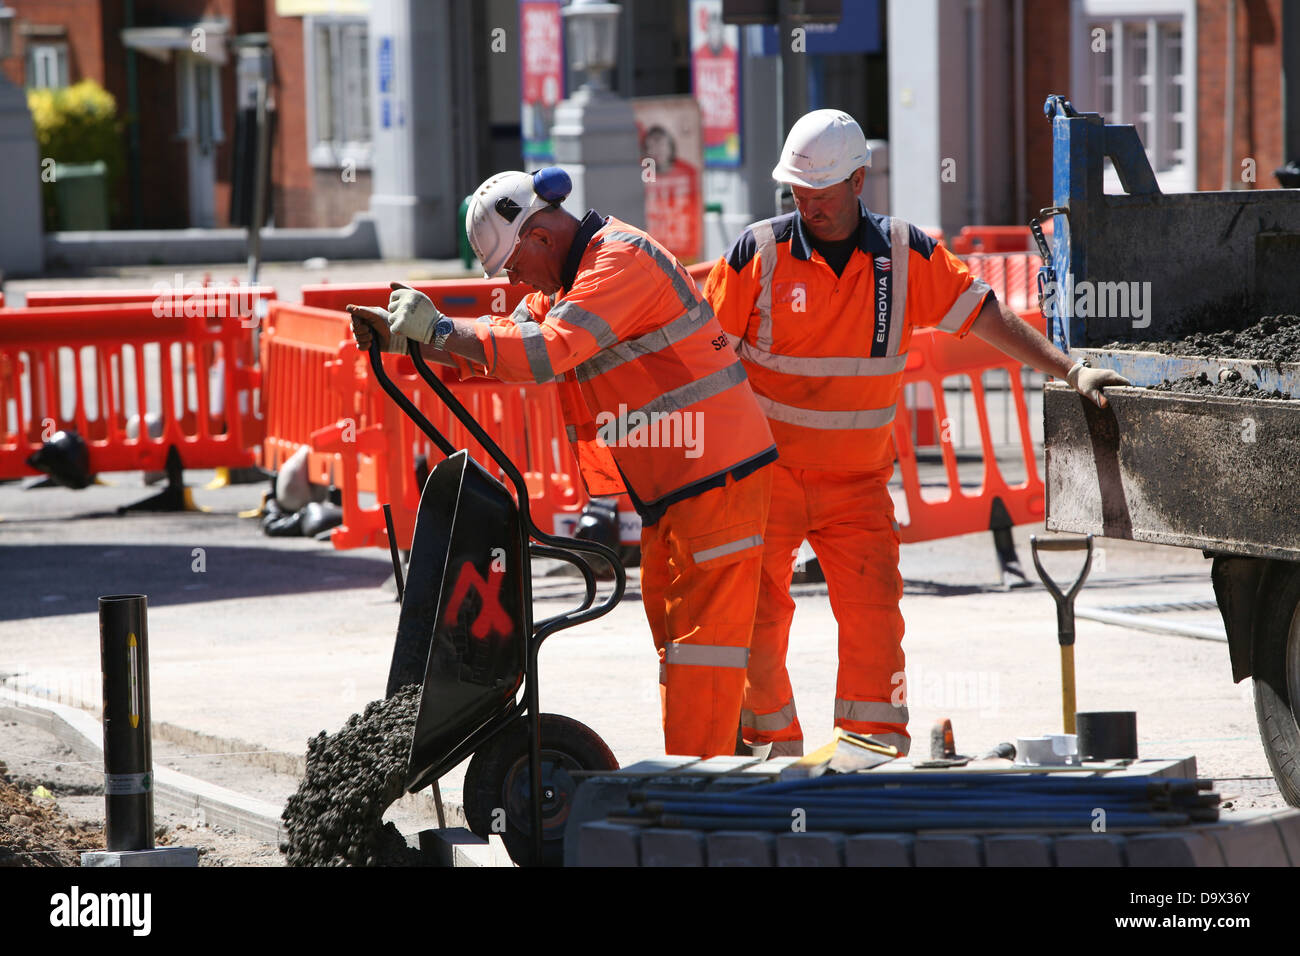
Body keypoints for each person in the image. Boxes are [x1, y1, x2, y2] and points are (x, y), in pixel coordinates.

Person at [704, 110, 1129, 757]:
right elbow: (705, 362)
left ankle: (867, 756)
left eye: (821, 193)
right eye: (798, 192)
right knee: (756, 625)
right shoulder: (757, 255)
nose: (808, 206)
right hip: (768, 482)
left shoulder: (905, 257)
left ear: (859, 180)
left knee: (875, 626)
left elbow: (984, 312)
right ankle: (773, 755)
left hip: (857, 486)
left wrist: (1070, 369)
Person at [348, 167, 778, 758]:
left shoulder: (619, 263)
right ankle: (707, 772)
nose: (514, 280)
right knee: (680, 644)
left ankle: (693, 792)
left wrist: (442, 328)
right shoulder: (566, 283)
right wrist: (413, 341)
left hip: (716, 478)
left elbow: (546, 350)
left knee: (702, 647)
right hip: (679, 487)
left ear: (541, 238)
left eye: (514, 266)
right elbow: (509, 336)